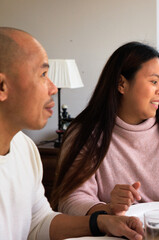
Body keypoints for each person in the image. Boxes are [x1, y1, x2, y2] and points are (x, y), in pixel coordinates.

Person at [0, 27, 144, 239]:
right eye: (42, 74)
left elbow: (38, 222)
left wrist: (102, 222)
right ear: (2, 86)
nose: (53, 88)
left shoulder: (25, 147)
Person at [50, 41, 159, 216]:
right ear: (121, 84)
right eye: (153, 81)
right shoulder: (85, 134)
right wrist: (108, 209)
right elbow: (70, 200)